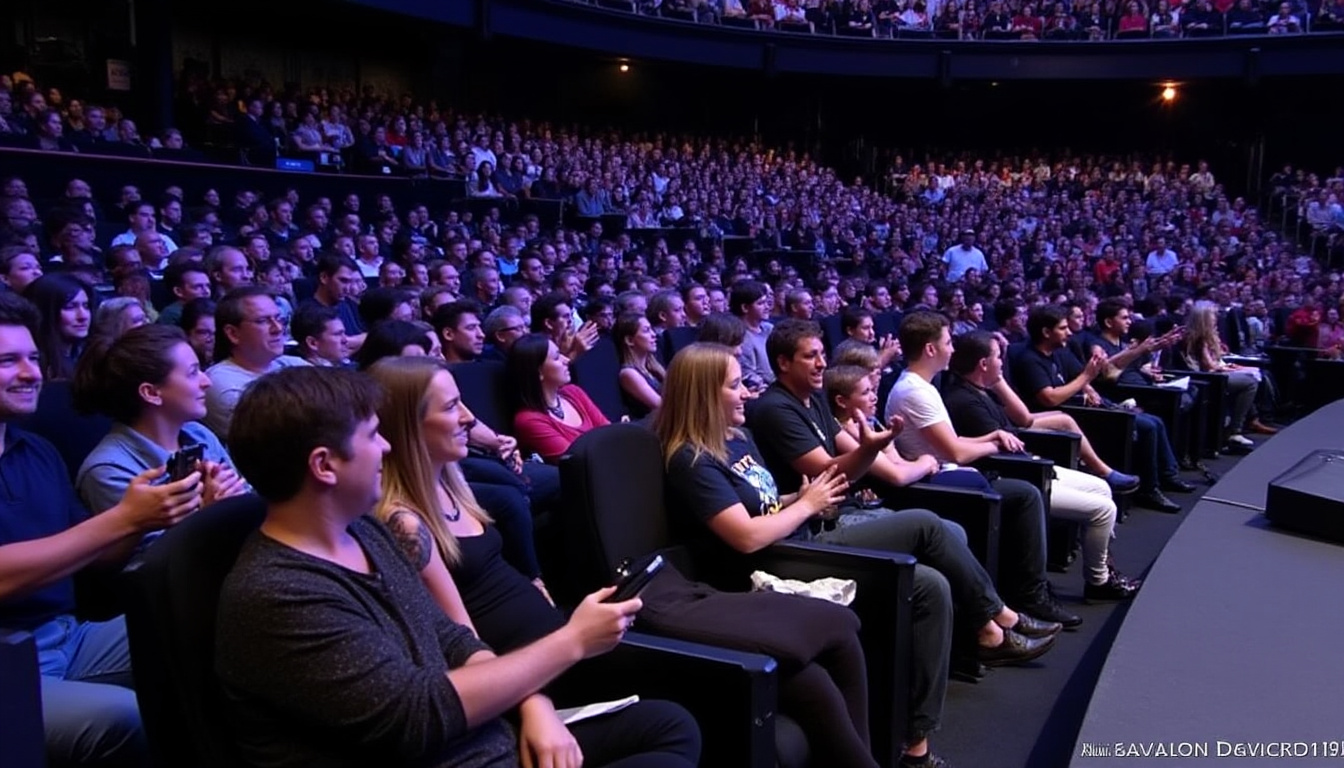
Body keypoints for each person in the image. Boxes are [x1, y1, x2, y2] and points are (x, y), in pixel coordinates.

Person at [218, 365, 699, 768]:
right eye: (371, 436)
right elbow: (416, 715)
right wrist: (570, 642)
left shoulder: (363, 533)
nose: (386, 448)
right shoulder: (279, 595)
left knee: (670, 726)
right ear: (325, 466)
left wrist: (536, 701)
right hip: (452, 752)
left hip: (488, 739)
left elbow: (454, 639)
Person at [366, 357, 701, 767]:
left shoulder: (451, 487)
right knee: (674, 721)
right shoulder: (404, 523)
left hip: (553, 646)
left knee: (697, 687)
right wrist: (534, 704)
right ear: (408, 426)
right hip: (525, 677)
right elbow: (463, 644)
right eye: (452, 407)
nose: (470, 417)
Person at [0, 291, 202, 768]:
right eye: (8, 361)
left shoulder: (37, 452)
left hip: (68, 636)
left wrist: (155, 513)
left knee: (218, 622)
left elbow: (93, 556)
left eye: (33, 357)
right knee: (121, 720)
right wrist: (124, 518)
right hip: (10, 662)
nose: (31, 373)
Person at [882, 313, 1080, 626]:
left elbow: (950, 441)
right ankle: (1030, 595)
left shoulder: (923, 385)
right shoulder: (915, 391)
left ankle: (1028, 590)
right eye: (948, 343)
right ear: (931, 349)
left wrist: (991, 435)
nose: (952, 349)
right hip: (937, 482)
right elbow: (957, 452)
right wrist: (996, 445)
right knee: (1026, 494)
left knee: (1023, 492)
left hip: (945, 471)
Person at [942, 332, 1141, 600]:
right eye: (998, 357)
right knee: (1104, 509)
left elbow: (1022, 419)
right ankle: (1098, 581)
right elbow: (1002, 449)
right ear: (983, 364)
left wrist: (998, 380)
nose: (1003, 362)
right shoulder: (964, 400)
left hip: (1030, 467)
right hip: (1018, 476)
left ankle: (1105, 567)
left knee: (1102, 488)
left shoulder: (982, 388)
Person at [73, 324, 248, 517]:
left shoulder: (199, 434)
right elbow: (148, 547)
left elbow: (247, 497)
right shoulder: (109, 470)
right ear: (151, 393)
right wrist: (209, 513)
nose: (207, 382)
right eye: (192, 373)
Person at [1181, 301, 1275, 447]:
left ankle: (1250, 420)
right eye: (1212, 314)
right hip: (1207, 378)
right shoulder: (1197, 337)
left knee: (1255, 375)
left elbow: (1217, 359)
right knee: (1250, 382)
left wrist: (1231, 367)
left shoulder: (1210, 334)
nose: (1215, 318)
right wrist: (1229, 369)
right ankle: (1235, 430)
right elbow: (1209, 366)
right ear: (1204, 317)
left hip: (1215, 373)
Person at [510, 332, 610, 463]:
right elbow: (577, 462)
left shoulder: (574, 392)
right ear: (538, 372)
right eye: (557, 357)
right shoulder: (528, 420)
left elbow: (610, 432)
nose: (567, 360)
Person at [22, 273, 94, 381]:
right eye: (70, 307)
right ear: (45, 311)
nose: (83, 316)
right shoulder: (34, 365)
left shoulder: (91, 356)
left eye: (86, 306)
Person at [615, 312, 664, 419]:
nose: (653, 334)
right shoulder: (628, 373)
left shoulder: (653, 368)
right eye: (646, 331)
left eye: (651, 329)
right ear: (629, 340)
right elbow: (660, 406)